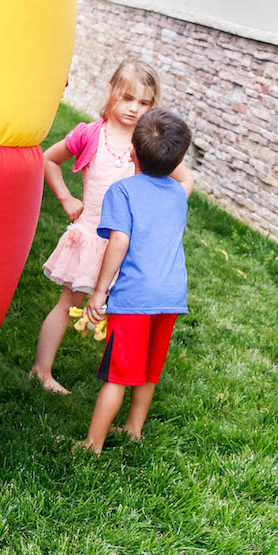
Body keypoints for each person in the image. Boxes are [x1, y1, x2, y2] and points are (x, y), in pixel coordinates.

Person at [30, 59, 160, 394]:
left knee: (122, 314)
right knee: (66, 302)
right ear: (110, 92)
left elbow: (172, 181)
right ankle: (41, 371)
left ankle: (116, 381)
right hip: (90, 235)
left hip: (128, 244)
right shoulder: (90, 133)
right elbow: (48, 158)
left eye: (144, 103)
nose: (134, 108)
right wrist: (66, 199)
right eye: (127, 98)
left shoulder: (147, 142)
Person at [78, 108, 193, 454]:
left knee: (117, 375)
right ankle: (132, 430)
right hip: (171, 297)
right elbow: (186, 180)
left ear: (133, 150)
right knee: (147, 371)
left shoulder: (122, 191)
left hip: (134, 299)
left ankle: (91, 445)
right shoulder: (178, 194)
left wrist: (100, 292)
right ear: (178, 159)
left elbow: (119, 241)